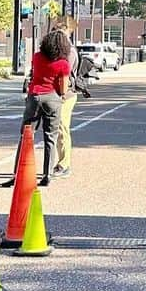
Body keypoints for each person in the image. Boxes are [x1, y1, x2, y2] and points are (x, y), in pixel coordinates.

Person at [3, 29, 71, 188]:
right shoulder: (63, 63)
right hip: (53, 98)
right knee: (50, 138)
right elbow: (63, 87)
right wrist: (60, 95)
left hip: (35, 96)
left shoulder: (37, 57)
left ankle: (17, 174)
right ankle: (47, 174)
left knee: (26, 136)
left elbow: (34, 75)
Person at [53, 24, 85, 178]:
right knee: (56, 129)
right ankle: (58, 162)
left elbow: (63, 74)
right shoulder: (57, 51)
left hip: (66, 94)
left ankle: (64, 165)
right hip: (55, 93)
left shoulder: (69, 52)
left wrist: (62, 93)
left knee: (62, 127)